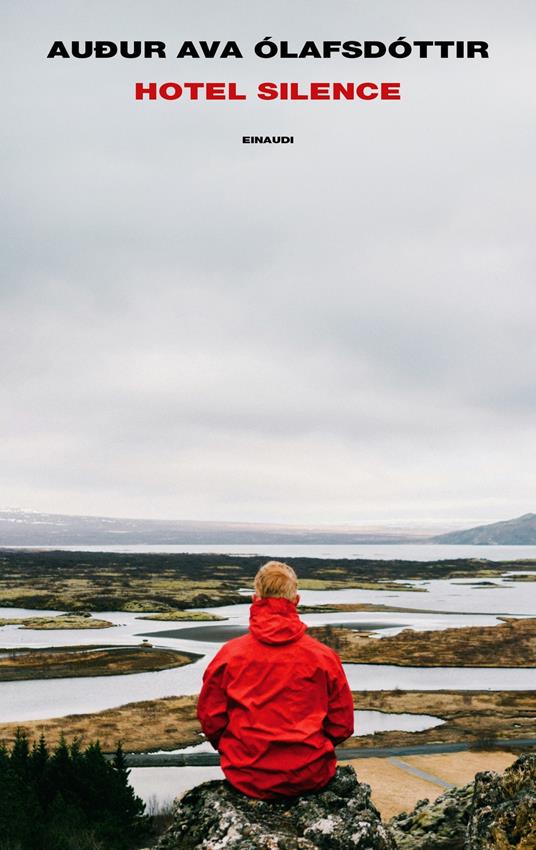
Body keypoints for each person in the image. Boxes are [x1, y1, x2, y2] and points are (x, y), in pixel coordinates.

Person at [197, 560, 354, 799]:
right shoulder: (323, 657)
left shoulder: (230, 655)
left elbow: (211, 719)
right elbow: (342, 725)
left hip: (245, 776)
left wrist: (239, 750)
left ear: (255, 599)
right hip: (311, 775)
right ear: (296, 601)